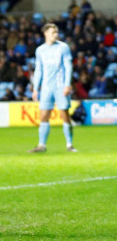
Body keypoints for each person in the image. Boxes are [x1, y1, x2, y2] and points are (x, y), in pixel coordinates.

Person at [28, 23, 76, 153]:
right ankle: (41, 145)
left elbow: (68, 66)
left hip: (60, 86)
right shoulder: (40, 50)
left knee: (64, 114)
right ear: (46, 33)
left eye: (57, 32)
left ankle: (69, 144)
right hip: (46, 87)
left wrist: (67, 84)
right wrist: (35, 88)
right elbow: (38, 70)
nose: (56, 34)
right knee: (43, 116)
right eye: (53, 32)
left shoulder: (63, 47)